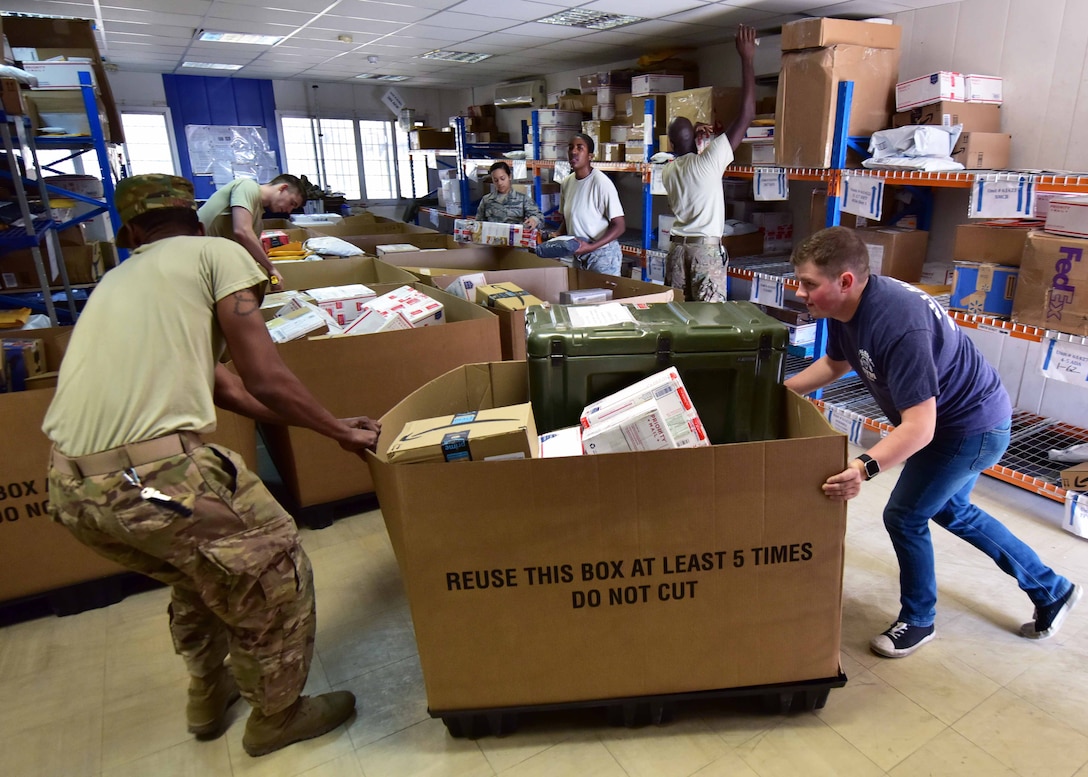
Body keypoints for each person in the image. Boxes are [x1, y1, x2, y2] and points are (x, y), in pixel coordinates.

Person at [43, 174, 382, 757]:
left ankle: (209, 692)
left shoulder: (115, 279)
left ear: (128, 233)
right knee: (272, 563)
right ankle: (277, 715)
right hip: (153, 480)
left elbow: (225, 384)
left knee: (201, 573)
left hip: (72, 490)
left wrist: (323, 424)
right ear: (198, 219)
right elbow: (265, 376)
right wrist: (338, 432)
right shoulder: (218, 253)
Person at [784, 227, 1080, 658]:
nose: (801, 293)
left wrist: (862, 467)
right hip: (953, 424)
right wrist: (778, 393)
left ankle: (919, 619)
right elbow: (834, 364)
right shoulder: (849, 312)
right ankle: (1052, 589)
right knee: (951, 509)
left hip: (968, 429)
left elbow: (920, 428)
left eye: (809, 284)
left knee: (904, 515)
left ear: (845, 281)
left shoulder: (898, 324)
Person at [663, 25, 756, 302]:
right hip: (704, 253)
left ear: (670, 144)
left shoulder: (668, 169)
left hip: (677, 251)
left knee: (679, 315)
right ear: (695, 137)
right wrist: (747, 58)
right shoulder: (709, 161)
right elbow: (747, 114)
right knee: (709, 320)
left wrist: (707, 140)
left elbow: (686, 157)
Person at [197, 173, 305, 288]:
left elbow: (251, 244)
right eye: (292, 203)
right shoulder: (247, 186)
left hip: (211, 264)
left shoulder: (257, 217)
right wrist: (270, 268)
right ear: (283, 188)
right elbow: (242, 231)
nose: (289, 210)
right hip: (194, 257)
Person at [554, 133, 626, 275]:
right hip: (579, 253)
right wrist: (558, 235)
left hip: (602, 256)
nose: (573, 151)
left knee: (603, 296)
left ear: (590, 156)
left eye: (580, 148)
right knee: (580, 296)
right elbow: (569, 217)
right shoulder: (567, 182)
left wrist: (591, 247)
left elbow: (620, 225)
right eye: (570, 148)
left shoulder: (601, 183)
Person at [475, 161, 543, 228]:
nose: (500, 183)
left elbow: (539, 218)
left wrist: (534, 220)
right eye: (496, 180)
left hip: (515, 237)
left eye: (502, 179)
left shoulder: (523, 199)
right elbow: (478, 223)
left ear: (509, 176)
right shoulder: (486, 200)